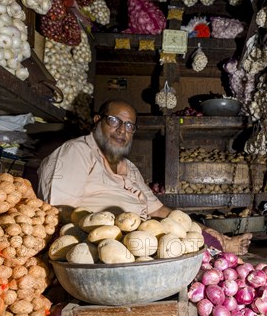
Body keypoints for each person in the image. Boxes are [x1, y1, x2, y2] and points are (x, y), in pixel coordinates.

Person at [37, 99, 252, 254]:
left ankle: (224, 244)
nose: (122, 130)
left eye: (129, 125)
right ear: (97, 121)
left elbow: (158, 210)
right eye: (114, 121)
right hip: (105, 250)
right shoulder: (77, 152)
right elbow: (57, 213)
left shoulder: (128, 167)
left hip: (145, 243)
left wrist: (212, 235)